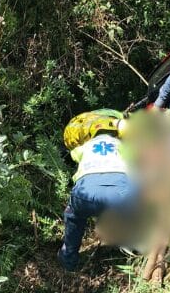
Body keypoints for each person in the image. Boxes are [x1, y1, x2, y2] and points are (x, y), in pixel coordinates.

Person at [58, 114, 136, 271]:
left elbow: (73, 155)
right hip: (121, 193)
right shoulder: (122, 145)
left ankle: (68, 259)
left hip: (85, 194)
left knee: (74, 216)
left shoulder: (84, 147)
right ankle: (134, 245)